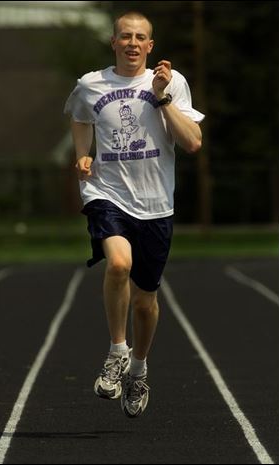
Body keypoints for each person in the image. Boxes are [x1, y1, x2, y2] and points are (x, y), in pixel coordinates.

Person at [64, 11, 205, 418]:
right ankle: (117, 351)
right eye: (124, 35)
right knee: (118, 265)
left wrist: (161, 96)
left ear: (150, 46)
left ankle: (139, 369)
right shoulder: (91, 85)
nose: (131, 42)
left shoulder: (170, 83)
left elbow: (193, 143)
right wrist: (82, 155)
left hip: (156, 203)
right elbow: (78, 117)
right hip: (107, 193)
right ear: (113, 42)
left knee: (146, 302)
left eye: (139, 37)